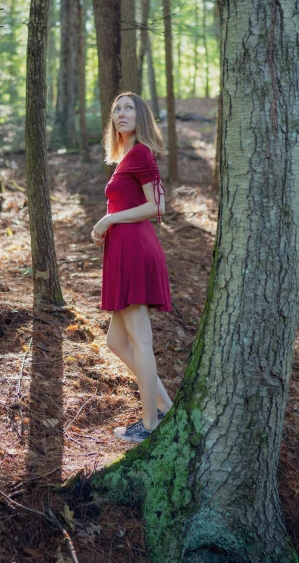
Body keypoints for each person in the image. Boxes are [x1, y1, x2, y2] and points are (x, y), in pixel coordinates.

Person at [91, 92, 174, 444]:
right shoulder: (124, 157)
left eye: (129, 108)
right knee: (115, 341)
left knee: (140, 340)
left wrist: (109, 218)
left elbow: (158, 205)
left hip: (135, 250)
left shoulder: (141, 153)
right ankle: (168, 410)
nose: (121, 114)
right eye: (117, 109)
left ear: (140, 116)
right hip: (121, 250)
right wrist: (110, 225)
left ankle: (151, 424)